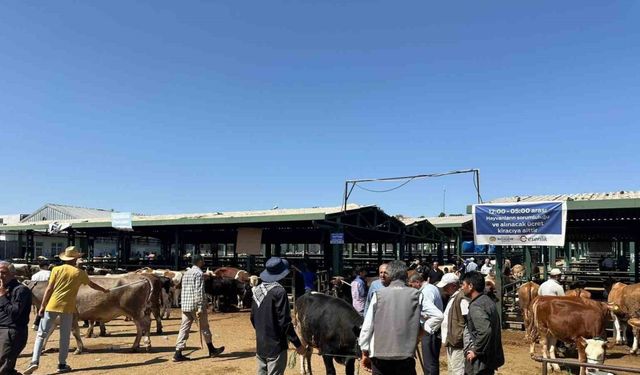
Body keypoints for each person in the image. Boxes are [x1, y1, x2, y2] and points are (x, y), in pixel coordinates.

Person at [24, 246, 109, 375]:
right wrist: (104, 290)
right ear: (75, 259)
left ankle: (34, 361)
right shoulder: (80, 273)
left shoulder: (56, 269)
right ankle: (61, 364)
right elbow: (92, 285)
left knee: (41, 334)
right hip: (68, 308)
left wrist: (42, 306)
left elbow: (49, 289)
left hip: (52, 306)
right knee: (64, 337)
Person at [359, 260, 422, 375]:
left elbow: (368, 326)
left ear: (390, 275)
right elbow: (437, 316)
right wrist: (421, 332)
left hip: (380, 355)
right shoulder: (416, 294)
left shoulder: (378, 294)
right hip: (405, 354)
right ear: (405, 275)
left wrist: (364, 350)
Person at [251, 257, 305, 375]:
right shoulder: (279, 292)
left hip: (261, 345)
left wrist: (263, 333)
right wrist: (298, 344)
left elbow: (253, 318)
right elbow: (285, 322)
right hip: (276, 346)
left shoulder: (257, 290)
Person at [173, 254, 225, 362]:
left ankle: (178, 352)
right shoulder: (199, 273)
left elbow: (183, 289)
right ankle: (211, 350)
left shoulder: (186, 273)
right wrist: (201, 307)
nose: (203, 261)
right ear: (200, 261)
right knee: (204, 327)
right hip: (196, 306)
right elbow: (199, 291)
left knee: (184, 328)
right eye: (202, 260)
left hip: (186, 305)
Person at [462, 271, 504, 375]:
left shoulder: (476, 306)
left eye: (463, 284)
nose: (462, 287)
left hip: (479, 362)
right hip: (490, 357)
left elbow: (485, 331)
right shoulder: (487, 301)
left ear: (471, 286)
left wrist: (475, 350)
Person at [0, 261, 32, 375]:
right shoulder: (2, 288)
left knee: (3, 367)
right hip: (2, 330)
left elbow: (15, 313)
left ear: (12, 274)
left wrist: (3, 296)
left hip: (11, 331)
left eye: (3, 273)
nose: (0, 276)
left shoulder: (20, 290)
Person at [409, 273, 444, 375]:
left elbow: (432, 313)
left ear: (417, 283)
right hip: (434, 328)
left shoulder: (425, 292)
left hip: (429, 329)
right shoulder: (432, 287)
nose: (411, 288)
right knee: (432, 361)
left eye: (411, 285)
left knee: (429, 363)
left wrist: (420, 316)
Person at [440, 273, 469, 375]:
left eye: (445, 286)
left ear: (453, 285)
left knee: (458, 371)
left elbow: (468, 321)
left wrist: (461, 338)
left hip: (458, 343)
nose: (443, 289)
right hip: (452, 341)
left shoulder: (461, 298)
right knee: (452, 370)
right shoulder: (454, 297)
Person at [30, 262, 52, 331]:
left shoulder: (34, 276)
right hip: (46, 292)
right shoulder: (50, 273)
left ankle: (37, 323)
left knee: (39, 308)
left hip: (36, 293)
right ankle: (38, 323)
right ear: (46, 266)